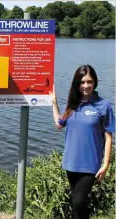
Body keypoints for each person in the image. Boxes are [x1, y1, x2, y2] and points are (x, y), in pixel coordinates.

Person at [49, 64, 115, 219]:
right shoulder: (72, 104)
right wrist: (54, 103)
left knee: (79, 201)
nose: (86, 86)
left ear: (95, 82)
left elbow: (108, 137)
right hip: (71, 162)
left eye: (89, 82)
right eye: (82, 82)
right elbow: (59, 124)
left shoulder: (103, 106)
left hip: (90, 165)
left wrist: (105, 164)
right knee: (75, 201)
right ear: (77, 84)